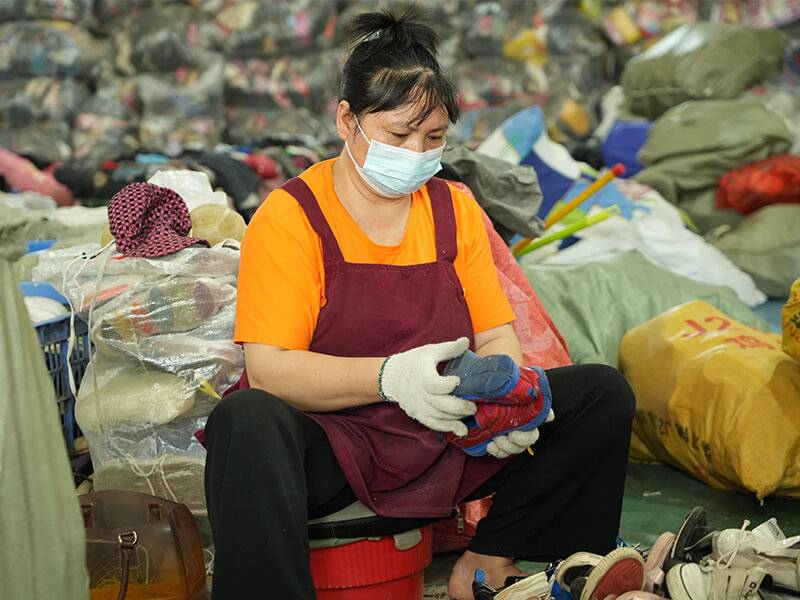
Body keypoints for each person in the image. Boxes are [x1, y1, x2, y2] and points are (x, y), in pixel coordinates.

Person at [204, 7, 635, 600]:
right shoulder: (290, 214)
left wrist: (507, 401)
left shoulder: (453, 206)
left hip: (446, 435)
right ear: (346, 121)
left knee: (600, 396)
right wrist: (391, 378)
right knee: (246, 420)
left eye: (432, 139)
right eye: (398, 135)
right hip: (339, 442)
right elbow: (271, 367)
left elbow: (497, 335)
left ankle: (496, 568)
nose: (415, 152)